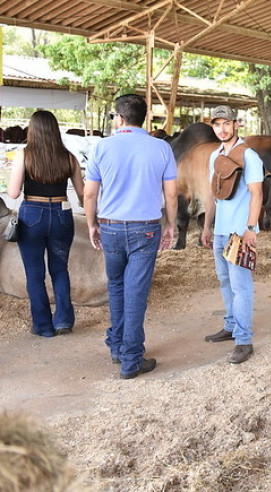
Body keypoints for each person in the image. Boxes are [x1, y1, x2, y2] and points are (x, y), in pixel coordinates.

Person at [84, 94, 177, 380]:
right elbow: (171, 193)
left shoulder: (103, 146)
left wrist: (91, 224)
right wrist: (171, 225)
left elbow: (89, 193)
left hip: (110, 226)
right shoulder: (161, 147)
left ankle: (117, 346)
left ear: (119, 118)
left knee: (116, 287)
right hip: (145, 228)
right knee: (136, 292)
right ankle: (131, 358)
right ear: (144, 119)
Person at [6, 110, 85, 338]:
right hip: (62, 213)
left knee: (34, 274)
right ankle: (63, 321)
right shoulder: (69, 157)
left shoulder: (24, 155)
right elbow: (82, 193)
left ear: (33, 130)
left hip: (32, 214)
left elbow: (12, 192)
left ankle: (43, 326)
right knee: (60, 270)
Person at [200, 105, 264, 364]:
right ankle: (230, 325)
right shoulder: (214, 154)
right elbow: (213, 194)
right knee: (225, 281)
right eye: (217, 125)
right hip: (220, 230)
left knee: (240, 285)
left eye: (226, 124)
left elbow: (256, 193)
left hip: (240, 232)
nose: (222, 129)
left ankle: (244, 339)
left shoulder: (249, 156)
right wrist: (207, 226)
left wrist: (251, 228)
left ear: (236, 124)